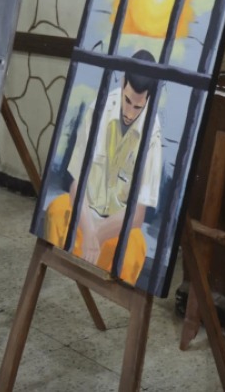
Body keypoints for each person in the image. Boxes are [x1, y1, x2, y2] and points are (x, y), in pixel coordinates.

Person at [45, 51, 162, 285]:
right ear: (123, 82)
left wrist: (97, 235)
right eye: (127, 101)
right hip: (84, 215)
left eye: (137, 107)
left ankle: (109, 292)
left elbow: (137, 215)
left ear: (149, 100)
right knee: (56, 211)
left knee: (135, 249)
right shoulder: (98, 109)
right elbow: (76, 184)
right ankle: (61, 274)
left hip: (117, 228)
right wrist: (89, 230)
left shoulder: (153, 134)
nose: (129, 113)